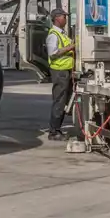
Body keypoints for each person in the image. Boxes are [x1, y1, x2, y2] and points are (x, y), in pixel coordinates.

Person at [46, 8, 76, 141]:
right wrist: (70, 47)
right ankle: (54, 132)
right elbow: (53, 53)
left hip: (66, 71)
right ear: (57, 18)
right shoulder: (53, 35)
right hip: (59, 72)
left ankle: (57, 129)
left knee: (64, 101)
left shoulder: (62, 33)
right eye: (64, 16)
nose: (66, 19)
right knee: (59, 101)